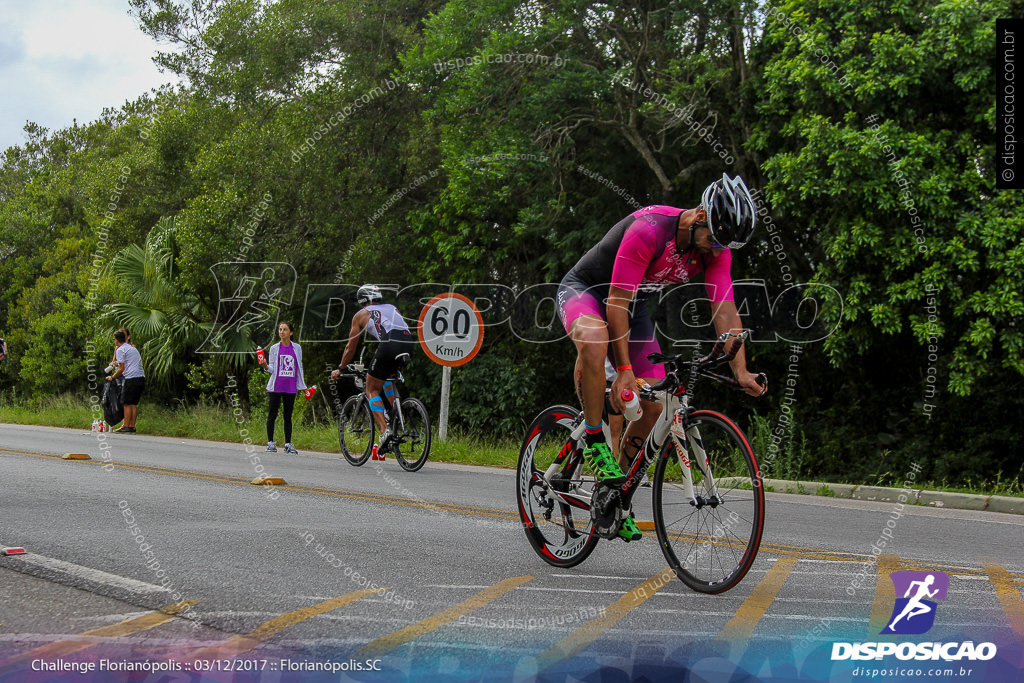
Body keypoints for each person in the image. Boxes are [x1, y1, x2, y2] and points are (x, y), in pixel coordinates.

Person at [556, 173, 767, 541]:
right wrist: (622, 370)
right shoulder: (651, 230)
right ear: (701, 216)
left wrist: (742, 370)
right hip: (589, 292)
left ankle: (612, 496)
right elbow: (615, 303)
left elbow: (726, 311)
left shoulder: (717, 249)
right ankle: (593, 439)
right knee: (594, 339)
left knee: (655, 404)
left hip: (633, 309)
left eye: (725, 244)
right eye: (715, 239)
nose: (717, 250)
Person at [331, 285, 415, 454]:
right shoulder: (392, 308)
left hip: (389, 344)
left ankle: (385, 431)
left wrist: (340, 368)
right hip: (409, 343)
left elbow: (350, 348)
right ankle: (396, 415)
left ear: (361, 300)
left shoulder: (361, 314)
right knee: (385, 377)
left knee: (371, 389)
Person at [258, 321, 307, 454]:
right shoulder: (274, 348)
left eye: (285, 329)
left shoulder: (297, 348)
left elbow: (299, 368)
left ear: (290, 332)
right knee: (272, 414)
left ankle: (288, 444)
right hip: (276, 386)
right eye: (280, 329)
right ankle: (270, 443)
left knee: (288, 415)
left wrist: (303, 387)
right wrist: (265, 366)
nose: (282, 332)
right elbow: (272, 368)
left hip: (290, 386)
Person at [106, 329, 145, 433]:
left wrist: (112, 377)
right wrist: (116, 364)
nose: (114, 341)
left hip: (131, 378)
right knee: (133, 403)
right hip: (140, 377)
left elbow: (122, 369)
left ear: (117, 340)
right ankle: (132, 426)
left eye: (114, 339)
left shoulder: (120, 349)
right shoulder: (131, 348)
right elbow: (126, 363)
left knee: (126, 403)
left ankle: (126, 426)